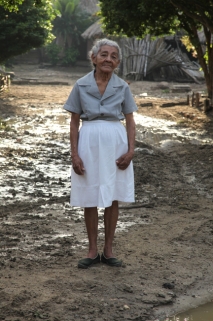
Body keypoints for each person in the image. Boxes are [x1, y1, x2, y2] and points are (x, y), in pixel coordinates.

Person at [63, 38, 137, 269]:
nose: (108, 59)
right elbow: (74, 122)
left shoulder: (122, 87)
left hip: (116, 142)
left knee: (113, 195)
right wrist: (74, 154)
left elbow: (130, 121)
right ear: (93, 58)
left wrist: (131, 150)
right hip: (89, 142)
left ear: (117, 63)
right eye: (104, 54)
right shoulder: (81, 85)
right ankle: (93, 251)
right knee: (90, 196)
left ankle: (109, 251)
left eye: (113, 56)